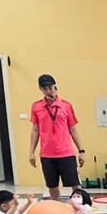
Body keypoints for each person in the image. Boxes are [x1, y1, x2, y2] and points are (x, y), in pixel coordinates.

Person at [29, 73, 85, 201]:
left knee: (76, 185)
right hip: (47, 155)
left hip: (66, 153)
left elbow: (73, 129)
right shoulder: (36, 107)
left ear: (55, 87)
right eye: (45, 88)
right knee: (52, 186)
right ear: (40, 89)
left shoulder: (66, 105)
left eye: (51, 87)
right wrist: (31, 153)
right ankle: (55, 208)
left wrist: (81, 151)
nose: (49, 91)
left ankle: (80, 208)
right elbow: (35, 130)